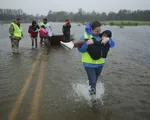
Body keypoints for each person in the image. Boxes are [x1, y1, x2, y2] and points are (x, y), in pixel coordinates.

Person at [62, 21, 115, 95]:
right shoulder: (85, 36)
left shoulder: (102, 36)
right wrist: (86, 44)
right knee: (93, 82)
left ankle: (91, 93)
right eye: (96, 31)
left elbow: (112, 45)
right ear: (91, 29)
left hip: (100, 63)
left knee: (94, 81)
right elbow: (81, 50)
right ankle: (92, 99)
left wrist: (108, 39)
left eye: (100, 30)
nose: (98, 32)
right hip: (89, 64)